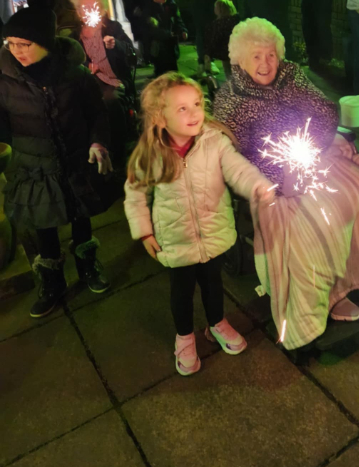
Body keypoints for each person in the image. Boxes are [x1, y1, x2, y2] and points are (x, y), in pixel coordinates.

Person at [213, 18, 359, 353]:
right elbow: (230, 157)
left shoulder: (292, 75)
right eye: (256, 57)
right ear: (239, 60)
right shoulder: (230, 100)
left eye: (270, 55)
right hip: (271, 181)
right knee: (310, 229)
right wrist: (278, 174)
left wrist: (309, 144)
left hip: (316, 158)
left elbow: (325, 112)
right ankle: (328, 300)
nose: (266, 63)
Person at [124, 73, 275, 376]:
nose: (194, 113)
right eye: (182, 108)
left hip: (213, 232)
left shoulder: (214, 143)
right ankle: (184, 336)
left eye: (197, 103)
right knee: (181, 290)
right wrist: (144, 231)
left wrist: (258, 185)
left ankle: (216, 323)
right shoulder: (152, 153)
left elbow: (238, 170)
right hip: (176, 238)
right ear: (160, 116)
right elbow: (135, 194)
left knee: (213, 283)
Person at [0, 6, 113, 318]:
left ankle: (87, 264)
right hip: (33, 167)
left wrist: (97, 141)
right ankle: (52, 281)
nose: (16, 51)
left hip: (76, 160)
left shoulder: (74, 76)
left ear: (45, 43)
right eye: (10, 43)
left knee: (80, 215)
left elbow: (96, 114)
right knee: (44, 225)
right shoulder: (5, 80)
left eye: (25, 44)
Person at [75, 0, 136, 167]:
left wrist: (116, 45)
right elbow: (73, 60)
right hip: (91, 81)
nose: (87, 10)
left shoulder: (112, 28)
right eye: (83, 8)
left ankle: (118, 152)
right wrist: (87, 65)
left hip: (112, 80)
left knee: (109, 102)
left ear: (100, 9)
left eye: (91, 6)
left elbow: (131, 52)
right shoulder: (76, 34)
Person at [137, 0, 188, 77]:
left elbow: (178, 20)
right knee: (160, 71)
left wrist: (183, 30)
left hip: (171, 44)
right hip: (157, 45)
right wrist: (167, 34)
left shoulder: (171, 4)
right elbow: (148, 28)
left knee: (173, 71)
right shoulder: (148, 6)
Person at [204, 0, 240, 78]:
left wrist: (208, 53)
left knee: (228, 73)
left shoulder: (218, 23)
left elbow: (215, 39)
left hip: (225, 54)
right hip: (238, 52)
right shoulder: (236, 20)